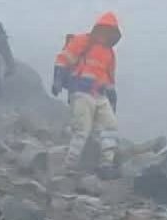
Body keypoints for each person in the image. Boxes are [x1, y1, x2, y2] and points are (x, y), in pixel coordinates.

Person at [51, 12, 122, 179]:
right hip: (81, 92)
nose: (106, 34)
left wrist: (112, 98)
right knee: (82, 130)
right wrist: (58, 80)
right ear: (99, 29)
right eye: (105, 30)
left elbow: (110, 79)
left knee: (110, 128)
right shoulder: (83, 41)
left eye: (110, 31)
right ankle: (69, 167)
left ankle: (106, 165)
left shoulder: (110, 54)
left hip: (99, 95)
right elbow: (63, 59)